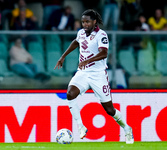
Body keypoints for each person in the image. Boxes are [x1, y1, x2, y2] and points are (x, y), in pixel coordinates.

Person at [54, 9, 134, 144]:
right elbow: (76, 42)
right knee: (70, 93)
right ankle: (81, 127)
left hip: (98, 75)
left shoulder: (101, 35)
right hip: (83, 73)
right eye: (83, 22)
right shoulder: (81, 33)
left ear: (94, 21)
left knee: (109, 110)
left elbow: (103, 53)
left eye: (87, 22)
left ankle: (127, 128)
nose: (84, 24)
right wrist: (62, 57)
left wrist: (87, 60)